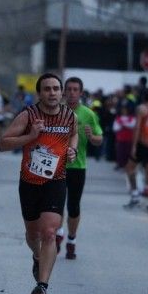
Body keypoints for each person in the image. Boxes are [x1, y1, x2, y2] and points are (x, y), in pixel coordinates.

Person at [0, 73, 78, 294]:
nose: (52, 93)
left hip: (56, 180)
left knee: (50, 232)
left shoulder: (69, 116)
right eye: (47, 89)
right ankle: (36, 256)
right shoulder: (29, 115)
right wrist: (30, 136)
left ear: (61, 92)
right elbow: (3, 143)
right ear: (40, 93)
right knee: (33, 235)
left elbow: (73, 134)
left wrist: (72, 150)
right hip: (30, 183)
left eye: (56, 88)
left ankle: (42, 286)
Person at [55, 77, 102, 259]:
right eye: (69, 89)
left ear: (81, 93)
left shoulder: (88, 114)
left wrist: (92, 137)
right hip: (56, 166)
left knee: (73, 206)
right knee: (56, 204)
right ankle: (58, 233)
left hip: (78, 166)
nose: (72, 92)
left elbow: (100, 139)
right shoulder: (57, 112)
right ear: (64, 92)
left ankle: (71, 240)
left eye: (76, 89)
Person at [123, 87, 148, 214]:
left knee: (130, 168)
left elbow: (137, 128)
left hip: (143, 143)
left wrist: (134, 146)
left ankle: (135, 195)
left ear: (144, 96)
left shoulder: (141, 108)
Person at [113, 103, 136, 169]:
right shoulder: (118, 118)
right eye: (123, 110)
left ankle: (126, 165)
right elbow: (115, 128)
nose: (124, 111)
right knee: (120, 152)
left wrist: (123, 125)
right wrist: (126, 125)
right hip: (120, 138)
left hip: (129, 138)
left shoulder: (132, 118)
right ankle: (119, 164)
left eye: (125, 110)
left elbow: (132, 125)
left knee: (128, 152)